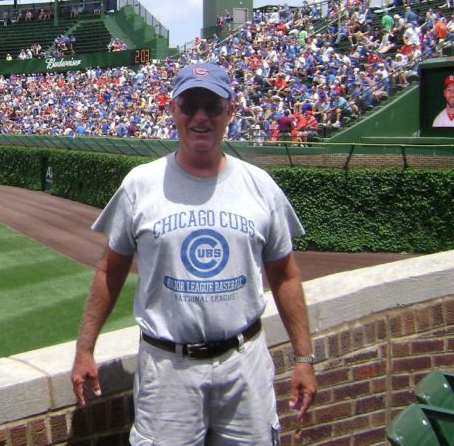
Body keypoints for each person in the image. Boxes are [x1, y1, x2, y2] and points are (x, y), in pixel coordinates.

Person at [70, 62, 317, 445]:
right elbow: (109, 269)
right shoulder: (140, 184)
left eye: (212, 107)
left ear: (229, 113)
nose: (201, 117)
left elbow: (285, 275)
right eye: (189, 105)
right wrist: (85, 349)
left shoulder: (260, 186)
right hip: (168, 371)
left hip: (244, 365)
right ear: (174, 110)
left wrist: (304, 358)